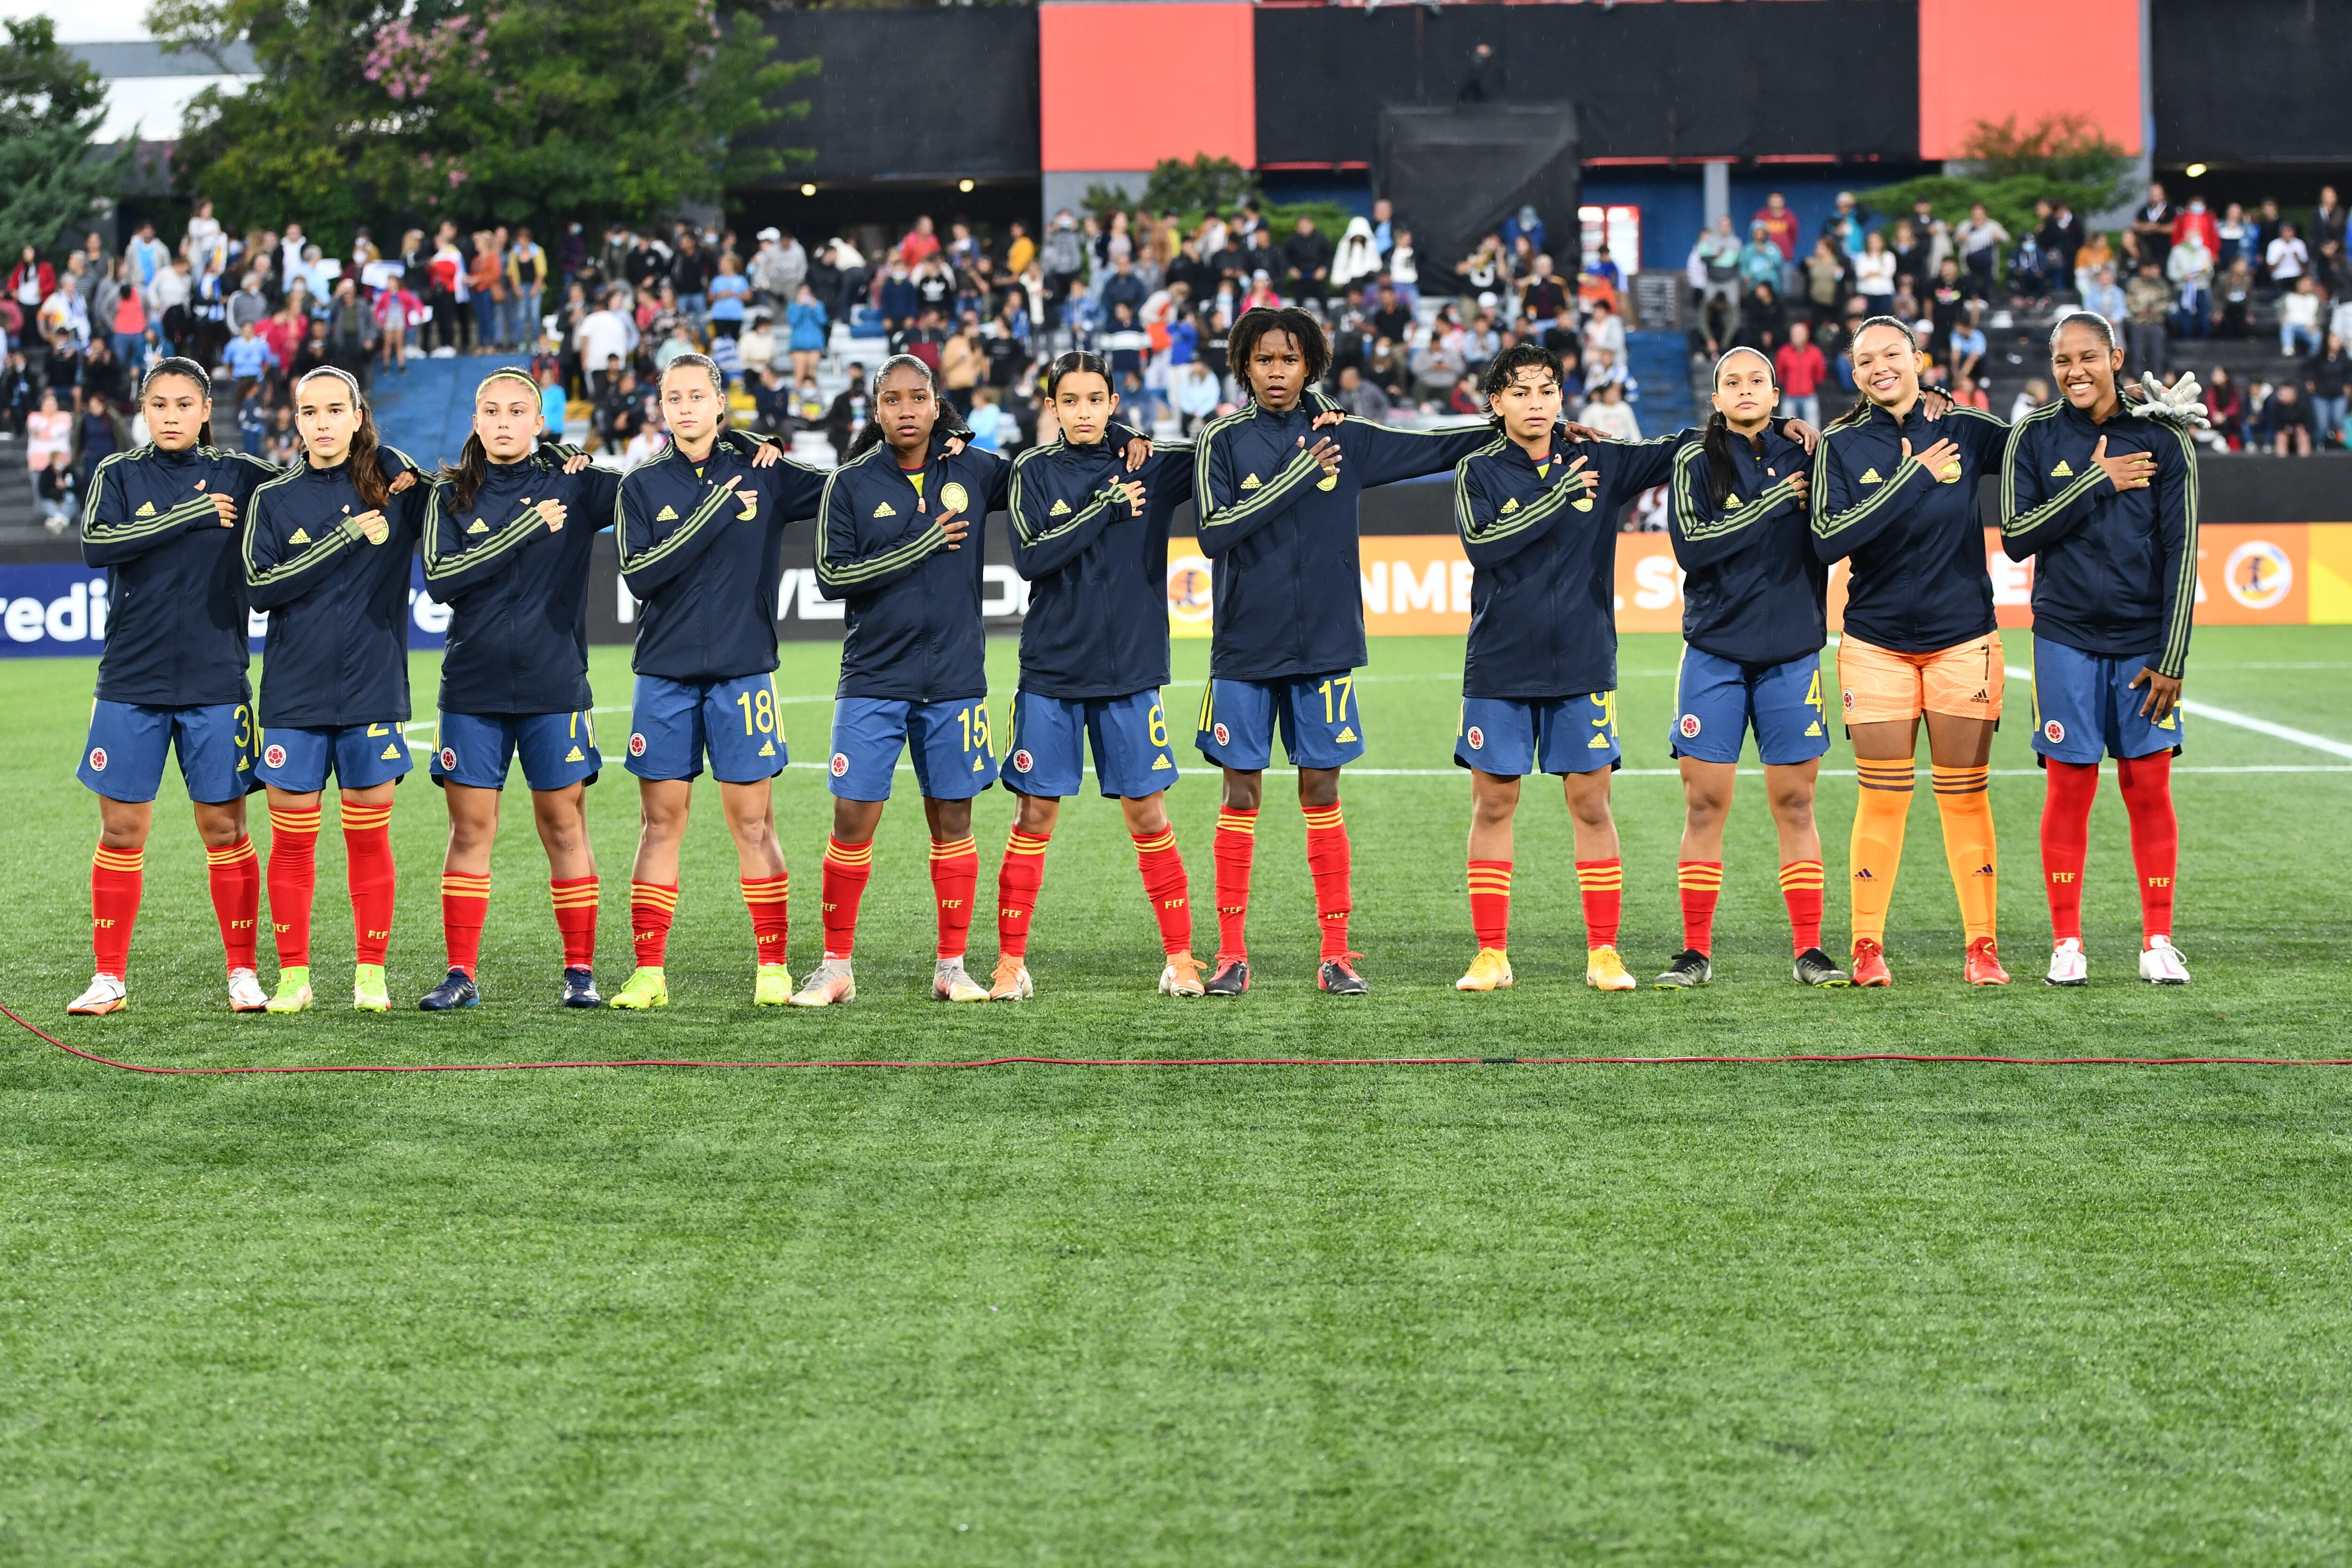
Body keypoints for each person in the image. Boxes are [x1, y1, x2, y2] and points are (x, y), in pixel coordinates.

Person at [1190, 306, 1500, 996]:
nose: (1277, 371)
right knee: (1240, 794)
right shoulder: (1221, 439)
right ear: (1244, 363)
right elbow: (1213, 533)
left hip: (1325, 647)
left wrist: (1516, 425)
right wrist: (1299, 475)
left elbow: (1434, 446)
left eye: (1291, 359)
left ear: (1311, 366)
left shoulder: (1345, 438)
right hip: (1242, 648)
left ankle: (1336, 953)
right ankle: (1231, 955)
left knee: (1322, 789)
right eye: (1265, 359)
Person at [64, 360, 282, 1017]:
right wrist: (189, 514)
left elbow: (319, 483)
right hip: (131, 678)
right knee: (123, 828)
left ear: (206, 408)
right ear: (143, 408)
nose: (170, 414)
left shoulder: (240, 475)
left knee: (224, 826)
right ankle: (109, 978)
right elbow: (96, 544)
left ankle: (243, 973)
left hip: (217, 678)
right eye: (158, 403)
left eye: (184, 403)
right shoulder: (118, 474)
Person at [791, 355, 1009, 1007]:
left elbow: (1048, 468)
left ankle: (951, 966)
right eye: (894, 399)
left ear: (938, 404)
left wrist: (1123, 439)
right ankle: (835, 967)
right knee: (853, 816)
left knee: (954, 817)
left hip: (955, 678)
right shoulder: (851, 483)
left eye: (920, 398)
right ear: (876, 409)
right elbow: (831, 577)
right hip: (873, 679)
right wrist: (918, 545)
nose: (907, 410)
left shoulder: (973, 469)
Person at [609, 355, 825, 1010]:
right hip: (664, 676)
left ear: (721, 403)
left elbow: (851, 485)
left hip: (744, 673)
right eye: (673, 397)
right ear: (662, 408)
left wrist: (944, 428)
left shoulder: (763, 471)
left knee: (754, 823)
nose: (684, 407)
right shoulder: (640, 487)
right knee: (659, 823)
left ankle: (772, 966)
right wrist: (713, 510)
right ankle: (649, 971)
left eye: (696, 395)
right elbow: (639, 576)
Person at [987, 352, 1200, 997]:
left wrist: (1140, 435)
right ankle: (1009, 964)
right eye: (1070, 400)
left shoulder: (1149, 463)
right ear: (1052, 407)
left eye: (1095, 400)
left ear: (1113, 403)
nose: (1082, 411)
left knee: (1148, 814)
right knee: (1034, 815)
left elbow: (1227, 444)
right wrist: (1104, 507)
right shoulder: (1032, 470)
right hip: (1051, 670)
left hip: (1131, 670)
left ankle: (1182, 959)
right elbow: (1031, 557)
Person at [1810, 318, 2013, 987]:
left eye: (1892, 355)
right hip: (1876, 644)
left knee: (1964, 795)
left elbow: (2036, 451)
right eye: (1865, 360)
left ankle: (1981, 947)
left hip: (1964, 640)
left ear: (1918, 359)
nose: (1879, 367)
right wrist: (1914, 477)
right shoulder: (1839, 444)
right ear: (1854, 373)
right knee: (1884, 795)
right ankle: (1868, 946)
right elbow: (1828, 541)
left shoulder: (1964, 426)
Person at [2000, 312, 2198, 986]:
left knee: (2148, 786)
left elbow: (2182, 549)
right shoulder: (2033, 434)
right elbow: (2017, 536)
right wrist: (2095, 480)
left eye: (2088, 356)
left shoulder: (2163, 435)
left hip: (2145, 642)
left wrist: (2173, 655)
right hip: (2065, 637)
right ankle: (2068, 942)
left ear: (2115, 356)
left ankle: (2158, 940)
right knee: (2071, 783)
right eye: (2062, 360)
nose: (2075, 370)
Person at [414, 370, 618, 1010]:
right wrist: (525, 529)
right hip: (471, 688)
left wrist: (751, 444)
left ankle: (580, 972)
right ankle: (460, 974)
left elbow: (655, 486)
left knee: (564, 826)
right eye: (492, 411)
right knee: (471, 831)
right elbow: (441, 580)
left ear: (540, 423)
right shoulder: (448, 496)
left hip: (555, 686)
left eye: (517, 411)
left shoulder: (576, 485)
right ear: (476, 422)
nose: (504, 422)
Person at [1652, 349, 1844, 989]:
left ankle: (1810, 949)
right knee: (1704, 804)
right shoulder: (1694, 460)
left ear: (1775, 390)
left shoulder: (1808, 453)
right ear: (1715, 398)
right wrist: (1768, 503)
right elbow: (1691, 546)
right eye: (1730, 382)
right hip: (1714, 651)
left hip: (1793, 651)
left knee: (1797, 802)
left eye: (1755, 380)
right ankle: (1695, 951)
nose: (1743, 389)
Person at [241, 367, 428, 1012]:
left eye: (333, 410)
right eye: (308, 411)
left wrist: (398, 462)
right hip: (294, 694)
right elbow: (260, 591)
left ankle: (369, 974)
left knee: (368, 838)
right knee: (292, 843)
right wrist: (343, 537)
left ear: (357, 416)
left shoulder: (398, 489)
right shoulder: (274, 498)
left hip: (374, 690)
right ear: (296, 421)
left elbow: (471, 489)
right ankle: (294, 977)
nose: (321, 423)